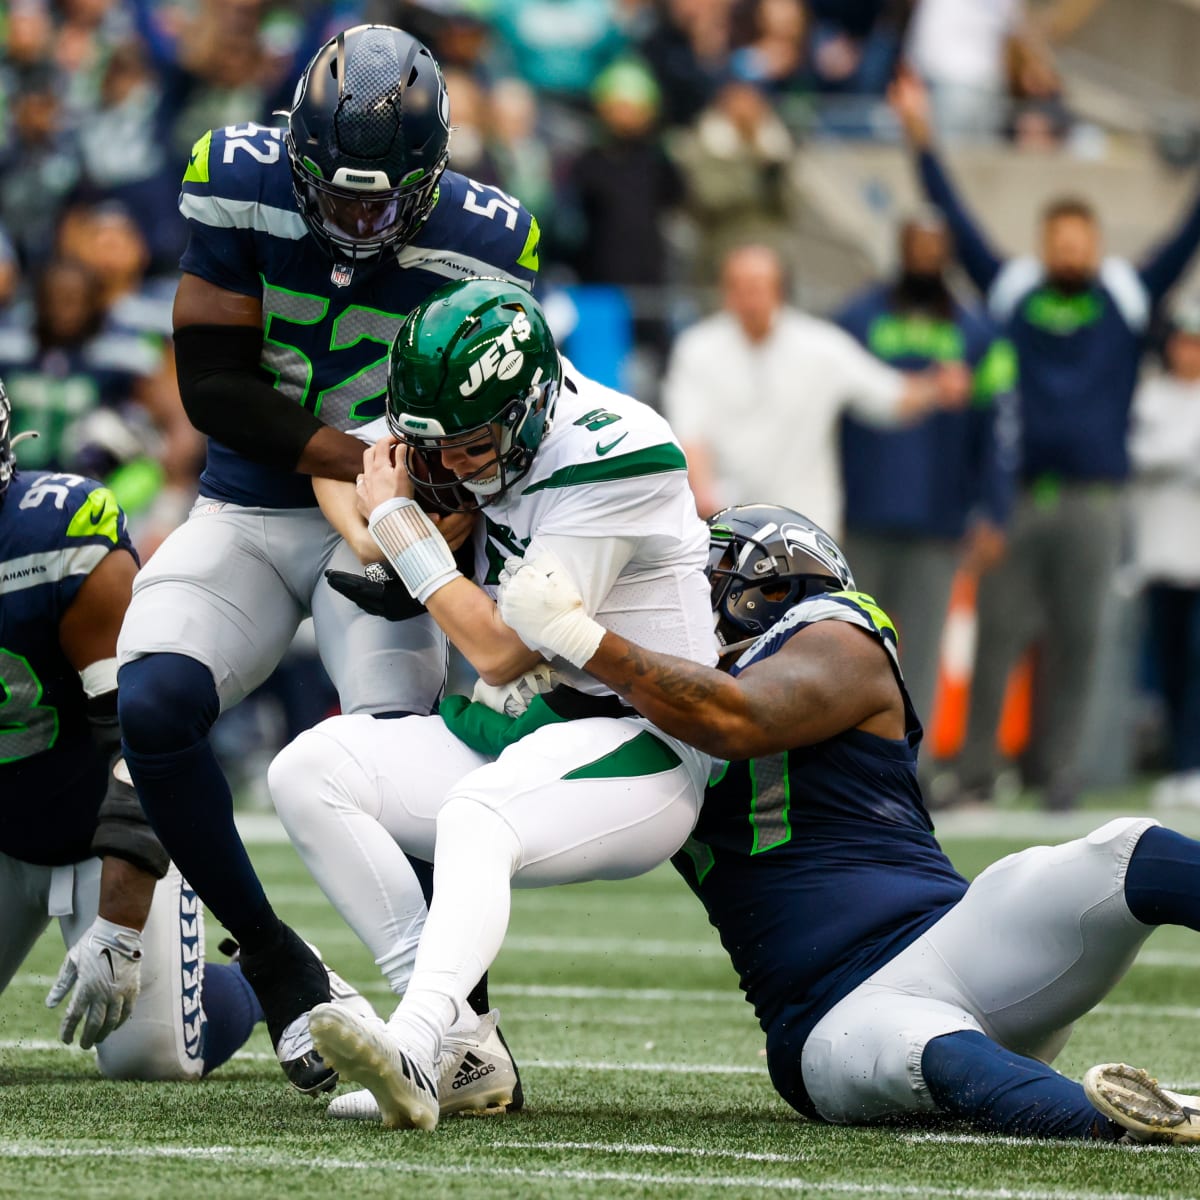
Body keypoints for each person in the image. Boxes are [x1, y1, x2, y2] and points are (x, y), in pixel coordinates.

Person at [488, 502, 1200, 1145]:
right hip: (831, 1016)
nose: (673, 604)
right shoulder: (633, 695)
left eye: (697, 584)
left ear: (771, 591)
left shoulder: (840, 637)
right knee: (930, 1051)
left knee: (1127, 852)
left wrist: (582, 638)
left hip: (957, 941)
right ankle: (1144, 1127)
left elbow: (739, 718)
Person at [114, 24, 540, 1094]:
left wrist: (432, 509)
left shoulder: (490, 239)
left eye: (381, 200)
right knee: (153, 700)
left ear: (435, 173)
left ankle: (462, 1031)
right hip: (254, 504)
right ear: (296, 149)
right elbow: (212, 385)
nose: (356, 222)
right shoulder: (234, 174)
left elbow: (499, 423)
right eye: (337, 195)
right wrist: (365, 463)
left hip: (393, 534)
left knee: (403, 768)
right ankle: (281, 968)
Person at [266, 276, 715, 1131]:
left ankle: (412, 1039)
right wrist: (373, 523)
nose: (452, 463)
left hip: (643, 740)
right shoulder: (455, 418)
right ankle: (460, 1045)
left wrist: (400, 528)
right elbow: (338, 460)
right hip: (525, 728)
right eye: (436, 444)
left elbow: (505, 648)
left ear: (533, 405)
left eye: (471, 446)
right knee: (310, 770)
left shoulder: (618, 450)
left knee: (477, 814)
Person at [891, 69, 1200, 811]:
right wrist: (921, 138)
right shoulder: (1013, 290)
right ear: (1042, 242)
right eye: (1058, 238)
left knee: (1079, 641)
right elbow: (956, 224)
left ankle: (1058, 770)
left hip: (1097, 500)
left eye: (1079, 239)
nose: (1069, 249)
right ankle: (973, 771)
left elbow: (1188, 234)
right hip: (1018, 496)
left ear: (1094, 245)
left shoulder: (1126, 296)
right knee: (999, 635)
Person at [0, 379, 260, 1081]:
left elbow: (140, 744)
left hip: (100, 832)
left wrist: (115, 928)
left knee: (149, 1058)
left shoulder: (52, 543)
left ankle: (260, 977)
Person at [836, 208, 1016, 727]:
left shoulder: (979, 332)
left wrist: (995, 510)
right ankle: (850, 770)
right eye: (915, 246)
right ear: (900, 248)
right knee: (852, 648)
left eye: (934, 248)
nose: (924, 258)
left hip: (940, 518)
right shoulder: (856, 320)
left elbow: (998, 429)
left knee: (921, 652)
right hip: (863, 515)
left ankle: (917, 772)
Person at [661, 242, 971, 532]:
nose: (747, 299)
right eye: (737, 287)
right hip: (729, 522)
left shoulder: (822, 347)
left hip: (806, 527)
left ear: (780, 291)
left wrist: (936, 387)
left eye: (756, 287)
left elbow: (887, 397)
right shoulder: (697, 349)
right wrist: (706, 500)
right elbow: (690, 434)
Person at [1129, 305, 1200, 810]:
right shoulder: (1148, 395)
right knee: (1171, 665)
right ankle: (1180, 763)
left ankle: (1194, 765)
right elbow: (1136, 456)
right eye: (1184, 340)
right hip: (1160, 555)